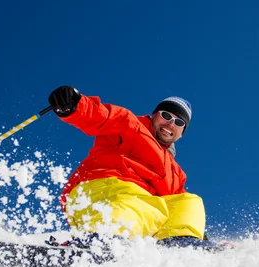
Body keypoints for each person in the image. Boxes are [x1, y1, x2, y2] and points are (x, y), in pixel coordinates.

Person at [48, 85, 211, 248]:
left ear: (182, 132)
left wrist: (197, 231)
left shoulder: (175, 172)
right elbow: (101, 116)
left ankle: (183, 245)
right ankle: (102, 240)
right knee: (140, 206)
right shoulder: (130, 125)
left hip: (139, 208)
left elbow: (178, 208)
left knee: (190, 201)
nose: (170, 123)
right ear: (154, 115)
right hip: (102, 191)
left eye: (178, 122)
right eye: (166, 115)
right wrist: (75, 105)